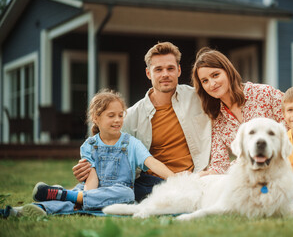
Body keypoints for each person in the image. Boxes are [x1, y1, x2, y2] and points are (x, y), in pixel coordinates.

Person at [72, 42, 211, 201]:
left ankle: (71, 196)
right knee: (117, 189)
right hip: (151, 183)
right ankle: (66, 196)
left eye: (170, 68)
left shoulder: (199, 98)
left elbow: (229, 92)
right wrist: (89, 167)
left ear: (178, 70)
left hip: (193, 177)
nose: (165, 74)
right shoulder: (131, 116)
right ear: (148, 73)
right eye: (158, 69)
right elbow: (111, 152)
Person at [12, 89, 175, 217]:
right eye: (111, 116)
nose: (118, 120)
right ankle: (32, 208)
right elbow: (92, 180)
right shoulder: (89, 145)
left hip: (117, 191)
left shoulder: (131, 143)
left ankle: (62, 195)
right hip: (91, 189)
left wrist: (176, 178)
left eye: (120, 115)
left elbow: (151, 162)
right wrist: (90, 197)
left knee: (125, 193)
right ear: (96, 118)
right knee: (81, 198)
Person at [191, 47, 293, 175]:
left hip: (291, 166)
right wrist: (209, 174)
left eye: (215, 75)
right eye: (205, 81)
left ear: (228, 71)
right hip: (253, 175)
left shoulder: (264, 93)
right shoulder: (216, 117)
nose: (212, 83)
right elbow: (219, 162)